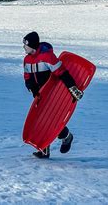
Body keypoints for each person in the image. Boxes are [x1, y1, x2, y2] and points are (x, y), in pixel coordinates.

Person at [23, 31, 83, 159]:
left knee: (50, 120)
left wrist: (72, 88)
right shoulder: (27, 59)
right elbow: (27, 77)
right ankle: (44, 149)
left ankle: (66, 136)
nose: (24, 47)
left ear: (32, 46)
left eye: (26, 45)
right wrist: (32, 89)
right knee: (41, 120)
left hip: (52, 94)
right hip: (39, 95)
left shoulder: (47, 57)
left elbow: (62, 73)